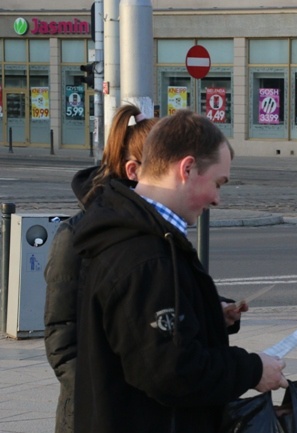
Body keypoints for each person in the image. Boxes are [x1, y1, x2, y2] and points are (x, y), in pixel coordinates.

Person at [71, 109, 287, 433]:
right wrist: (252, 370)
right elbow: (171, 371)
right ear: (186, 168)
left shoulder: (144, 235)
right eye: (218, 182)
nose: (217, 199)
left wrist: (206, 313)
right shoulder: (146, 255)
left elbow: (146, 337)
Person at [43, 104, 159, 433]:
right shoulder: (77, 235)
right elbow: (61, 338)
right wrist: (102, 396)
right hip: (93, 414)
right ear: (135, 170)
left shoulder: (158, 228)